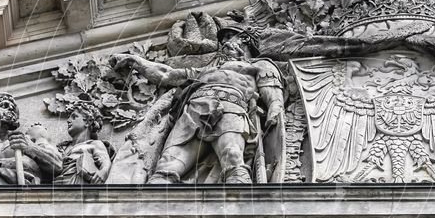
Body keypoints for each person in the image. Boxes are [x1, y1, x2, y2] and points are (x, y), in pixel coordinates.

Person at [111, 25, 284, 184]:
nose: (223, 42)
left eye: (230, 36)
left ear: (244, 39)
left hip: (231, 108)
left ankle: (241, 208)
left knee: (232, 158)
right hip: (193, 111)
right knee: (166, 166)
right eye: (222, 40)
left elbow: (272, 90)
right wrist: (136, 61)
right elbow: (167, 75)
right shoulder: (207, 70)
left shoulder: (259, 65)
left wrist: (275, 109)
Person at [54, 102, 112, 185]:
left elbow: (105, 162)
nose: (68, 121)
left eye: (74, 117)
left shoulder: (94, 144)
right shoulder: (62, 147)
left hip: (79, 186)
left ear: (88, 122)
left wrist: (103, 172)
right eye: (69, 118)